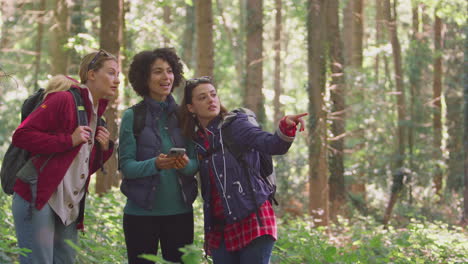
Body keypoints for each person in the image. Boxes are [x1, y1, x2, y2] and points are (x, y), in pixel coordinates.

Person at [179, 76, 307, 264]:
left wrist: (286, 128)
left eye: (213, 95)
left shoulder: (236, 124)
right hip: (219, 229)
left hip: (253, 219)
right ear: (191, 107)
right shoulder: (196, 142)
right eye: (202, 97)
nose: (211, 100)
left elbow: (273, 145)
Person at [11, 49, 119, 263]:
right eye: (111, 73)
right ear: (91, 74)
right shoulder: (63, 100)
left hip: (69, 205)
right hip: (39, 196)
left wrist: (104, 148)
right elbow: (21, 135)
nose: (117, 80)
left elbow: (80, 168)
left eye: (118, 75)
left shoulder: (98, 116)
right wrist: (68, 140)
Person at [118, 48, 198, 264]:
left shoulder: (186, 115)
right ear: (145, 77)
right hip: (140, 216)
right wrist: (156, 164)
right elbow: (126, 167)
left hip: (180, 214)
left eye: (170, 71)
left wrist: (184, 164)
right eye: (158, 72)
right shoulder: (132, 116)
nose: (166, 77)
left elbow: (195, 165)